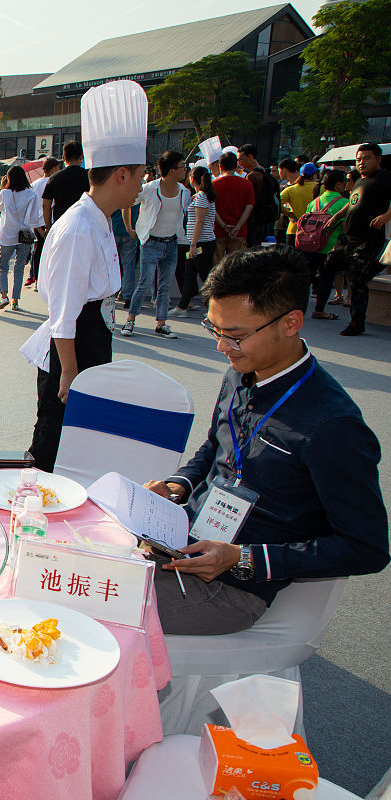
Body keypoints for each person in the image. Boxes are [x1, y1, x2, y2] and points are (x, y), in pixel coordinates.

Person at [143, 246, 387, 635]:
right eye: (214, 329)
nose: (222, 347)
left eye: (235, 335)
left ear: (291, 323)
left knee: (93, 607)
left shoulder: (332, 425)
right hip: (181, 542)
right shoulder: (242, 371)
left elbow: (367, 547)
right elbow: (215, 448)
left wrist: (244, 558)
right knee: (63, 562)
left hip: (232, 586)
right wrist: (178, 485)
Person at [20, 80, 148, 473]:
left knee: (83, 439)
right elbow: (64, 310)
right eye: (141, 175)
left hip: (91, 330)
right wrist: (70, 372)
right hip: (73, 341)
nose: (144, 184)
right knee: (56, 440)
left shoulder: (99, 219)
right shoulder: (79, 227)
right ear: (122, 175)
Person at [324, 142, 391, 336]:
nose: (361, 163)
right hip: (349, 238)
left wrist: (387, 215)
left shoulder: (385, 177)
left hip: (370, 239)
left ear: (378, 159)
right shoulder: (360, 180)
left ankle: (357, 322)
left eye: (366, 158)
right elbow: (353, 201)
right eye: (358, 159)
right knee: (330, 264)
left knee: (358, 279)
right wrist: (336, 217)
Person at [121, 150, 188, 339]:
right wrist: (129, 228)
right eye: (182, 167)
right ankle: (130, 321)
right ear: (172, 170)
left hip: (171, 242)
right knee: (145, 282)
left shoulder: (184, 192)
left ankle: (161, 324)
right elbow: (128, 202)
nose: (185, 170)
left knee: (165, 286)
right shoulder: (150, 188)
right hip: (151, 242)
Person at [0, 167, 42, 311]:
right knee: (19, 268)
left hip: (7, 235)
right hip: (24, 236)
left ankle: (3, 296)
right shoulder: (31, 194)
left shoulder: (5, 193)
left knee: (3, 267)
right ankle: (15, 300)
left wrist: (1, 188)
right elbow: (33, 217)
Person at [302, 169, 349, 320]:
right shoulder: (344, 203)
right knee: (326, 279)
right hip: (330, 247)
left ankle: (300, 309)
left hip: (309, 245)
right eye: (344, 182)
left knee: (306, 279)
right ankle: (319, 310)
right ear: (338, 184)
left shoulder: (314, 202)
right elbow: (346, 228)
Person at [171, 166, 217, 316]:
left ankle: (215, 307)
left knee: (206, 276)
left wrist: (193, 244)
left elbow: (199, 221)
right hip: (198, 243)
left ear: (193, 179)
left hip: (200, 243)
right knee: (189, 275)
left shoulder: (201, 197)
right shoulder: (201, 196)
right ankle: (182, 307)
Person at [212, 151, 255, 262]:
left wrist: (224, 226)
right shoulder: (246, 184)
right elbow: (249, 207)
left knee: (217, 266)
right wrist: (238, 226)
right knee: (236, 265)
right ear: (236, 166)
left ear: (220, 167)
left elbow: (212, 209)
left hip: (217, 231)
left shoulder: (213, 185)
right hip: (239, 231)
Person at [25, 157, 62, 287]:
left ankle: (36, 279)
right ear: (53, 169)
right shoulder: (56, 182)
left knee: (39, 250)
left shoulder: (34, 184)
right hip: (51, 220)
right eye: (57, 167)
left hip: (37, 222)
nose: (59, 170)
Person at [238, 144, 280, 247]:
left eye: (241, 159)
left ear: (250, 157)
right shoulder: (264, 172)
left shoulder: (252, 176)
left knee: (251, 250)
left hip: (252, 220)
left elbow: (247, 201)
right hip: (264, 219)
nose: (239, 163)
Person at [41, 140, 89, 227]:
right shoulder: (89, 177)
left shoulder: (54, 178)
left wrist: (47, 227)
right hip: (83, 223)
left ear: (63, 158)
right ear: (81, 157)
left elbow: (46, 205)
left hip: (61, 224)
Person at [111, 201, 141, 310]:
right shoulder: (134, 194)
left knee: (112, 264)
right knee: (129, 265)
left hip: (114, 229)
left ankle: (112, 292)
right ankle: (128, 296)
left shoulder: (114, 192)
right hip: (130, 231)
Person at [279, 163, 320, 243]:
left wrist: (289, 213)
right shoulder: (321, 188)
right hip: (314, 230)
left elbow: (275, 202)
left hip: (294, 230)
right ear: (314, 174)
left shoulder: (291, 189)